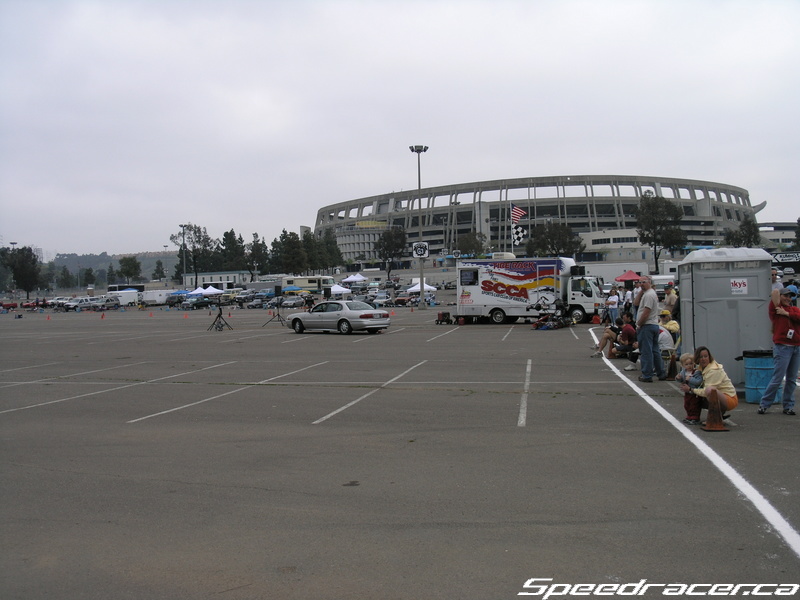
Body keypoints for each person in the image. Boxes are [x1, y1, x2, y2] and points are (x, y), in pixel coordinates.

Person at [757, 287, 800, 416]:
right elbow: (774, 292)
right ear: (780, 297)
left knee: (791, 379)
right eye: (785, 296)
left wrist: (786, 313)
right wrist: (779, 303)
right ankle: (764, 404)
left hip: (796, 347)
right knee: (778, 378)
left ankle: (788, 406)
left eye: (790, 296)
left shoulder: (793, 310)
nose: (788, 298)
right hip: (783, 347)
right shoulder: (775, 310)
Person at [680, 346, 738, 425]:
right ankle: (694, 416)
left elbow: (705, 391)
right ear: (697, 359)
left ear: (709, 357)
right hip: (721, 396)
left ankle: (716, 416)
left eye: (706, 356)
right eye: (701, 357)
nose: (703, 359)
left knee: (710, 390)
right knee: (695, 398)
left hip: (729, 398)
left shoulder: (713, 370)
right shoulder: (701, 368)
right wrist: (679, 377)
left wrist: (690, 389)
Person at [635, 276, 667, 382]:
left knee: (646, 351)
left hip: (647, 325)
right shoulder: (648, 293)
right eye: (640, 282)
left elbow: (646, 312)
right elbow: (635, 303)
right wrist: (640, 291)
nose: (641, 284)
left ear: (649, 282)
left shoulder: (649, 295)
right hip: (653, 325)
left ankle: (647, 375)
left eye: (643, 282)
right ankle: (660, 372)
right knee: (655, 350)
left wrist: (639, 323)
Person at [675, 352, 703, 425]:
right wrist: (678, 378)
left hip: (694, 393)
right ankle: (689, 416)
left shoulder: (696, 372)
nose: (689, 366)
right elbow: (682, 380)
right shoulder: (684, 372)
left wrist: (690, 379)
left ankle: (695, 417)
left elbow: (699, 381)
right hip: (687, 392)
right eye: (686, 364)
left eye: (690, 364)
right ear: (683, 365)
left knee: (695, 405)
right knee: (687, 404)